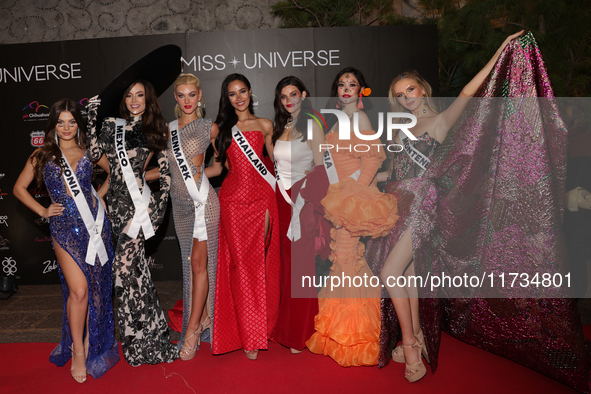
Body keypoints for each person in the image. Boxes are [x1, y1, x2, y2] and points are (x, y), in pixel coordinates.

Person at [365, 32, 524, 383]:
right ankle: (417, 333)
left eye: (411, 89)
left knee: (389, 272)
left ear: (422, 88)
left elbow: (468, 91)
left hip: (423, 203)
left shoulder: (439, 121)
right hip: (396, 203)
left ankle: (408, 343)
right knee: (405, 274)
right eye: (399, 94)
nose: (406, 97)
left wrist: (500, 51)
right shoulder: (398, 128)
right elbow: (393, 171)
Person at [14, 99, 119, 383]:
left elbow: (115, 174)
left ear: (79, 124)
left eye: (72, 121)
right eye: (60, 122)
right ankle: (78, 351)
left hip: (94, 227)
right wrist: (43, 210)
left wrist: (99, 197)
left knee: (96, 289)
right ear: (53, 125)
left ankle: (88, 340)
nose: (67, 127)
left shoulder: (88, 153)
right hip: (63, 228)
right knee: (80, 290)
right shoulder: (43, 155)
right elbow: (18, 188)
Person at [305, 67, 398, 367]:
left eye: (352, 84)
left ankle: (362, 336)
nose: (346, 88)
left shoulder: (359, 119)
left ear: (361, 91)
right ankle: (344, 330)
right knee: (345, 261)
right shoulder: (338, 121)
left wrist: (353, 197)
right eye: (341, 84)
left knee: (346, 260)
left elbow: (371, 160)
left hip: (352, 201)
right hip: (340, 200)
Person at [86, 80, 179, 365]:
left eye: (139, 95)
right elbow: (92, 155)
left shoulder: (155, 129)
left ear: (147, 98)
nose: (134, 100)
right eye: (129, 96)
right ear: (124, 100)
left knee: (122, 269)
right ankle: (146, 338)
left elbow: (165, 175)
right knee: (136, 276)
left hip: (140, 208)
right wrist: (90, 118)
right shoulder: (111, 126)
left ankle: (141, 340)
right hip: (116, 207)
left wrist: (157, 212)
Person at [147, 73, 221, 361]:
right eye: (181, 95)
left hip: (203, 202)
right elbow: (165, 170)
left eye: (192, 94)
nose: (187, 100)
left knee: (199, 264)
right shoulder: (168, 130)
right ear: (176, 98)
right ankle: (203, 318)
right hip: (179, 206)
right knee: (191, 267)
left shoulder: (209, 128)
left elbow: (221, 166)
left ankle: (191, 330)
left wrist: (202, 173)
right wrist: (135, 177)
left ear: (200, 95)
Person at [211, 73, 280, 360]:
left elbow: (278, 161)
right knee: (241, 267)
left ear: (250, 92)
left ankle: (261, 325)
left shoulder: (265, 125)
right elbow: (218, 169)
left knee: (258, 263)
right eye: (232, 94)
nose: (238, 97)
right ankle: (250, 335)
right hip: (232, 202)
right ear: (227, 99)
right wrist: (188, 179)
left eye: (242, 91)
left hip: (263, 200)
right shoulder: (222, 130)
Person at [270, 76, 324, 353]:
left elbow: (322, 168)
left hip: (303, 202)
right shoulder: (280, 126)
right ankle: (283, 325)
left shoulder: (313, 125)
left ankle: (301, 331)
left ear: (303, 94)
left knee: (301, 268)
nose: (289, 100)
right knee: (283, 267)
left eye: (293, 94)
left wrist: (305, 196)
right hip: (280, 201)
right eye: (283, 96)